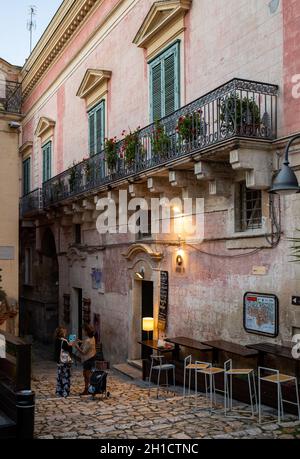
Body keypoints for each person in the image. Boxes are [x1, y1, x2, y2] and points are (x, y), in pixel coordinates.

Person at [74, 324, 97, 395]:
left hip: (88, 359)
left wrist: (76, 346)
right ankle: (89, 389)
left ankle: (89, 389)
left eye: (84, 330)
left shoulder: (88, 341)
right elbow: (87, 344)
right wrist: (80, 341)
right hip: (92, 357)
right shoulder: (92, 338)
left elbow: (83, 352)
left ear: (87, 332)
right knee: (87, 374)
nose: (83, 331)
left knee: (87, 375)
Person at [54, 326, 73, 398]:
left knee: (60, 376)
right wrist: (70, 344)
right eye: (65, 332)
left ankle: (59, 391)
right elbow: (69, 350)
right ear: (63, 333)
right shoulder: (64, 341)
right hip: (65, 362)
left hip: (59, 361)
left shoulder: (56, 340)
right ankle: (65, 392)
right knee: (66, 376)